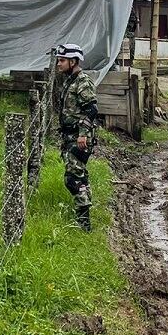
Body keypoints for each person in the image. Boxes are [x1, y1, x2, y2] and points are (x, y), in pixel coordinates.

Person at [54, 43, 99, 231]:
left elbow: (92, 110)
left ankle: (84, 223)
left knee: (72, 179)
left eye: (62, 60)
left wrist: (82, 136)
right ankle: (86, 207)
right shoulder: (69, 80)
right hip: (69, 135)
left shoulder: (82, 81)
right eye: (58, 60)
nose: (58, 64)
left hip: (79, 138)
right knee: (80, 174)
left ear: (73, 62)